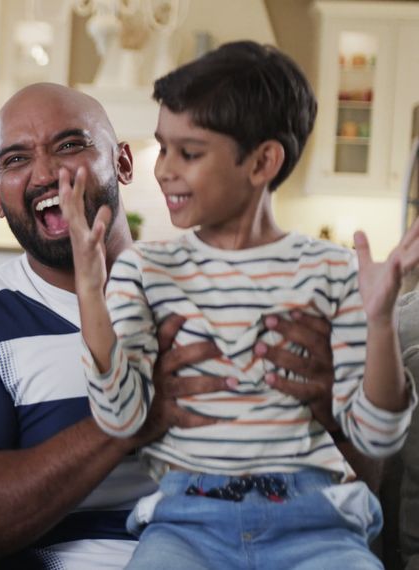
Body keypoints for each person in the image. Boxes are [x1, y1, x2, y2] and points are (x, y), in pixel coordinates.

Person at [0, 79, 377, 569]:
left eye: (69, 145)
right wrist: (130, 421)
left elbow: (352, 484)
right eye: (16, 159)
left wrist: (332, 415)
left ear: (123, 163)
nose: (46, 173)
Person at [63, 40, 418, 569]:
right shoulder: (145, 272)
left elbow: (377, 432)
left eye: (190, 152)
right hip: (187, 525)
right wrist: (91, 291)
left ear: (262, 163)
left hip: (316, 525)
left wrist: (382, 319)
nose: (164, 170)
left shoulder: (333, 271)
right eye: (163, 147)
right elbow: (121, 416)